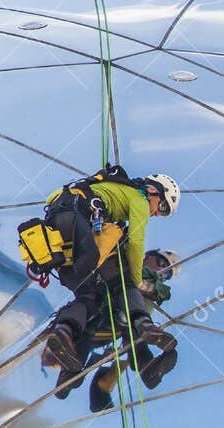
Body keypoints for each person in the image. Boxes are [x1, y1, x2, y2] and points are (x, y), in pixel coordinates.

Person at [34, 165, 180, 395]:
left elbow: (53, 197)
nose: (156, 214)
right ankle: (144, 327)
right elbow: (136, 243)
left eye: (162, 213)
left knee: (89, 296)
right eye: (162, 207)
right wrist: (135, 280)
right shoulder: (139, 198)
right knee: (122, 286)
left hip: (58, 234)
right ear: (153, 190)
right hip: (81, 226)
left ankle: (65, 343)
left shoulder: (106, 187)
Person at [82, 249, 182, 413]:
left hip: (125, 325)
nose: (161, 271)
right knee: (131, 334)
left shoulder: (157, 285)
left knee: (134, 343)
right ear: (148, 256)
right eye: (161, 263)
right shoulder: (127, 263)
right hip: (103, 313)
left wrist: (146, 286)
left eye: (166, 274)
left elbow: (161, 291)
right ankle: (76, 379)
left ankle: (148, 370)